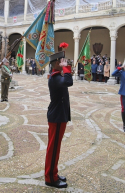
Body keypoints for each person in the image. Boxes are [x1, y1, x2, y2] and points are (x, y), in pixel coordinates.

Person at [44, 51, 73, 189]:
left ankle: (53, 173)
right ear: (56, 63)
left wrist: (66, 69)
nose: (65, 62)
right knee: (53, 148)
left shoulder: (57, 76)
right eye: (63, 61)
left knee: (56, 147)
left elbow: (67, 80)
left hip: (59, 116)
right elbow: (69, 81)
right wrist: (66, 68)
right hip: (57, 117)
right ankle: (50, 178)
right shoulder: (55, 78)